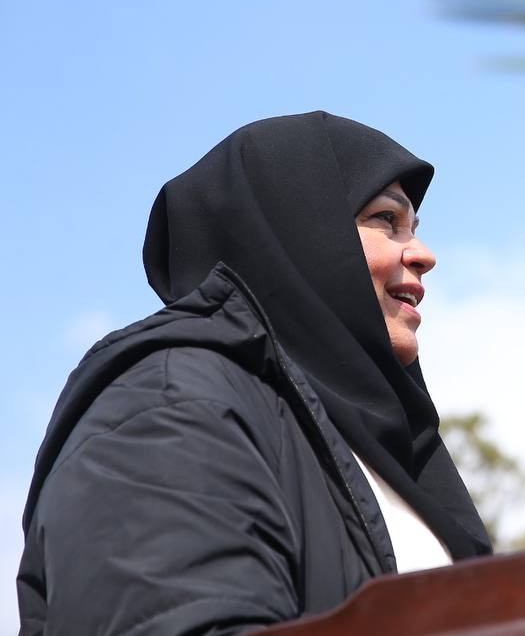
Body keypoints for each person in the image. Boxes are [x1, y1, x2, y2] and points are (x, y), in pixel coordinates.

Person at [16, 112, 491, 634]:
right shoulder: (169, 403)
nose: (423, 255)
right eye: (386, 219)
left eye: (414, 228)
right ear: (298, 229)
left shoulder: (383, 458)